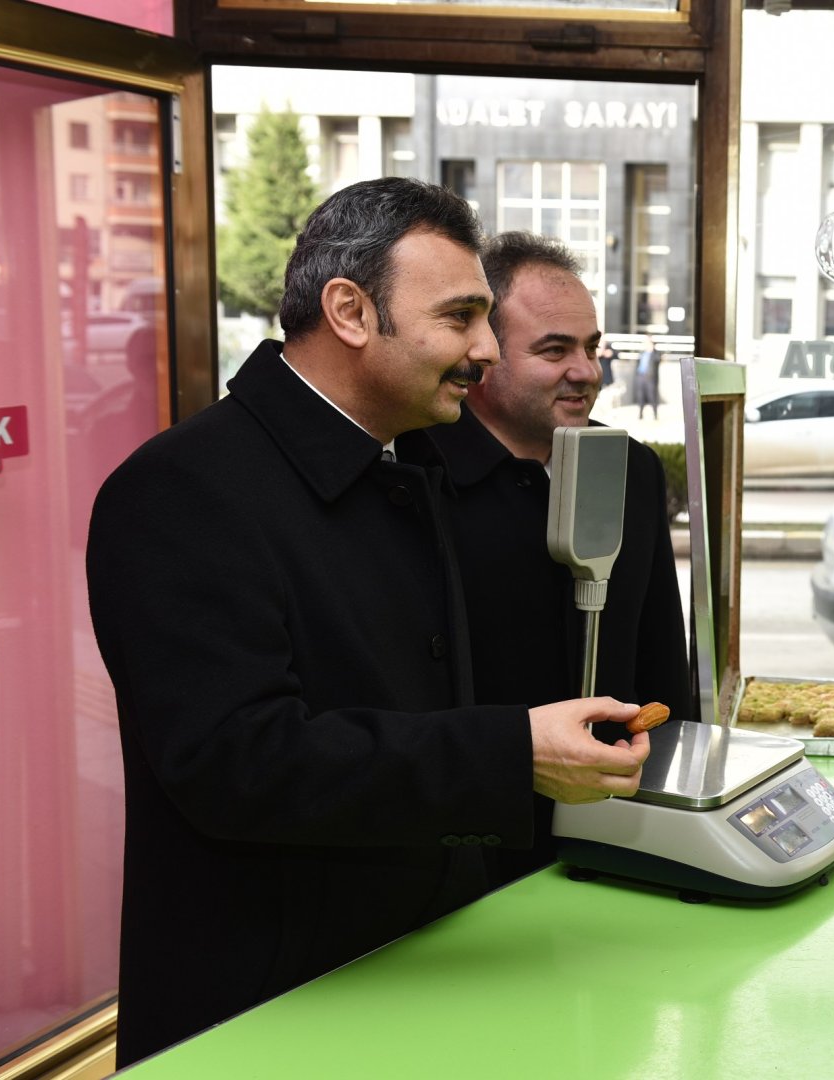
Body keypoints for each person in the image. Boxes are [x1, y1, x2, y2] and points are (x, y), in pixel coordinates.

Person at [86, 178, 651, 1066]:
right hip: (267, 1017)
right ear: (350, 311)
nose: (484, 351)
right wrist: (512, 755)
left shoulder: (403, 466)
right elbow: (239, 763)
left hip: (422, 982)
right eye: (460, 317)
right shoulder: (181, 491)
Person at [425, 231, 691, 875]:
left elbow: (661, 659)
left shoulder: (632, 469)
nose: (587, 371)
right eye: (554, 350)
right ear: (483, 353)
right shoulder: (420, 480)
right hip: (466, 848)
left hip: (615, 835)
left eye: (591, 347)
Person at [633, 333, 662, 419]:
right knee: (640, 396)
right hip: (640, 376)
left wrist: (652, 350)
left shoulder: (655, 353)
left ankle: (655, 414)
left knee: (652, 396)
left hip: (650, 378)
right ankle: (640, 414)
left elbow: (658, 360)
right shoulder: (642, 353)